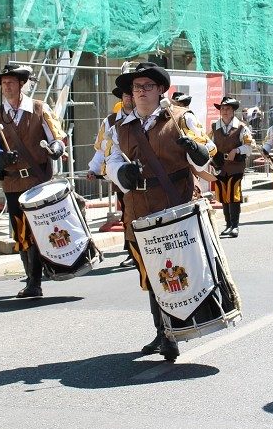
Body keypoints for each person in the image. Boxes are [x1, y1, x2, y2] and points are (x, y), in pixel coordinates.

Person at [105, 62, 215, 362]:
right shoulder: (120, 127)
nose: (140, 92)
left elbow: (207, 153)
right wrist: (120, 171)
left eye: (147, 86)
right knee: (153, 274)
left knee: (184, 266)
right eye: (136, 87)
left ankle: (192, 320)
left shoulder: (181, 118)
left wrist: (197, 152)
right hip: (139, 207)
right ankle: (164, 332)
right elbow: (109, 160)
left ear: (160, 90)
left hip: (176, 202)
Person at [0, 64, 67, 299]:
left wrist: (57, 147)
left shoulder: (39, 109)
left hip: (38, 180)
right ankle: (32, 279)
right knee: (21, 232)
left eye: (11, 82)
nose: (6, 87)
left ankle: (37, 279)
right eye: (3, 83)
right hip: (13, 183)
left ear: (22, 84)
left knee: (41, 229)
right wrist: (1, 158)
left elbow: (57, 135)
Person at [88, 85, 135, 266]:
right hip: (120, 175)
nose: (129, 98)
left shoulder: (144, 116)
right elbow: (102, 149)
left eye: (131, 95)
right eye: (126, 95)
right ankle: (132, 251)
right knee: (127, 214)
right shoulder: (110, 121)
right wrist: (94, 169)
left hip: (142, 173)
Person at [209, 96, 253, 238]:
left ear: (233, 110)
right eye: (223, 108)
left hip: (236, 167)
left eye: (228, 108)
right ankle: (228, 225)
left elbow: (249, 146)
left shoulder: (241, 127)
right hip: (221, 166)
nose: (225, 111)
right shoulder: (215, 127)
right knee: (223, 195)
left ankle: (235, 226)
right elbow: (208, 144)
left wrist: (237, 151)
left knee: (234, 195)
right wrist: (213, 156)